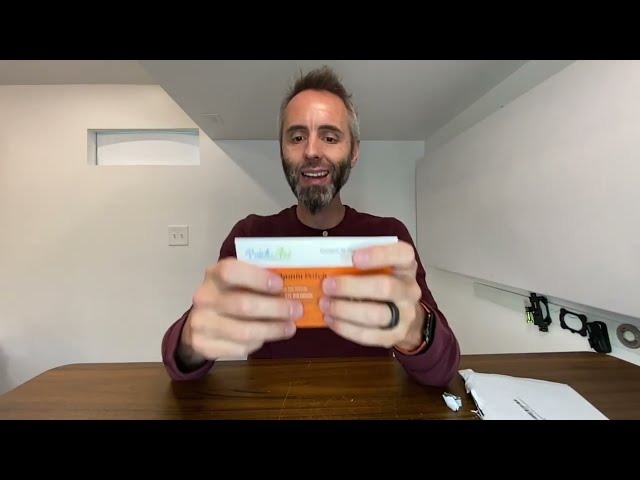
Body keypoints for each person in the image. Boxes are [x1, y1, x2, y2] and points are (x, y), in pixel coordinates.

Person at [161, 65, 460, 387]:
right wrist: (192, 337)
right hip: (271, 404)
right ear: (282, 151)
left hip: (370, 403)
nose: (312, 151)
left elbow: (443, 370)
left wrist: (415, 328)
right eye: (297, 137)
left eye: (329, 137)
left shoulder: (388, 238)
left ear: (354, 152)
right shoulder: (250, 235)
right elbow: (180, 367)